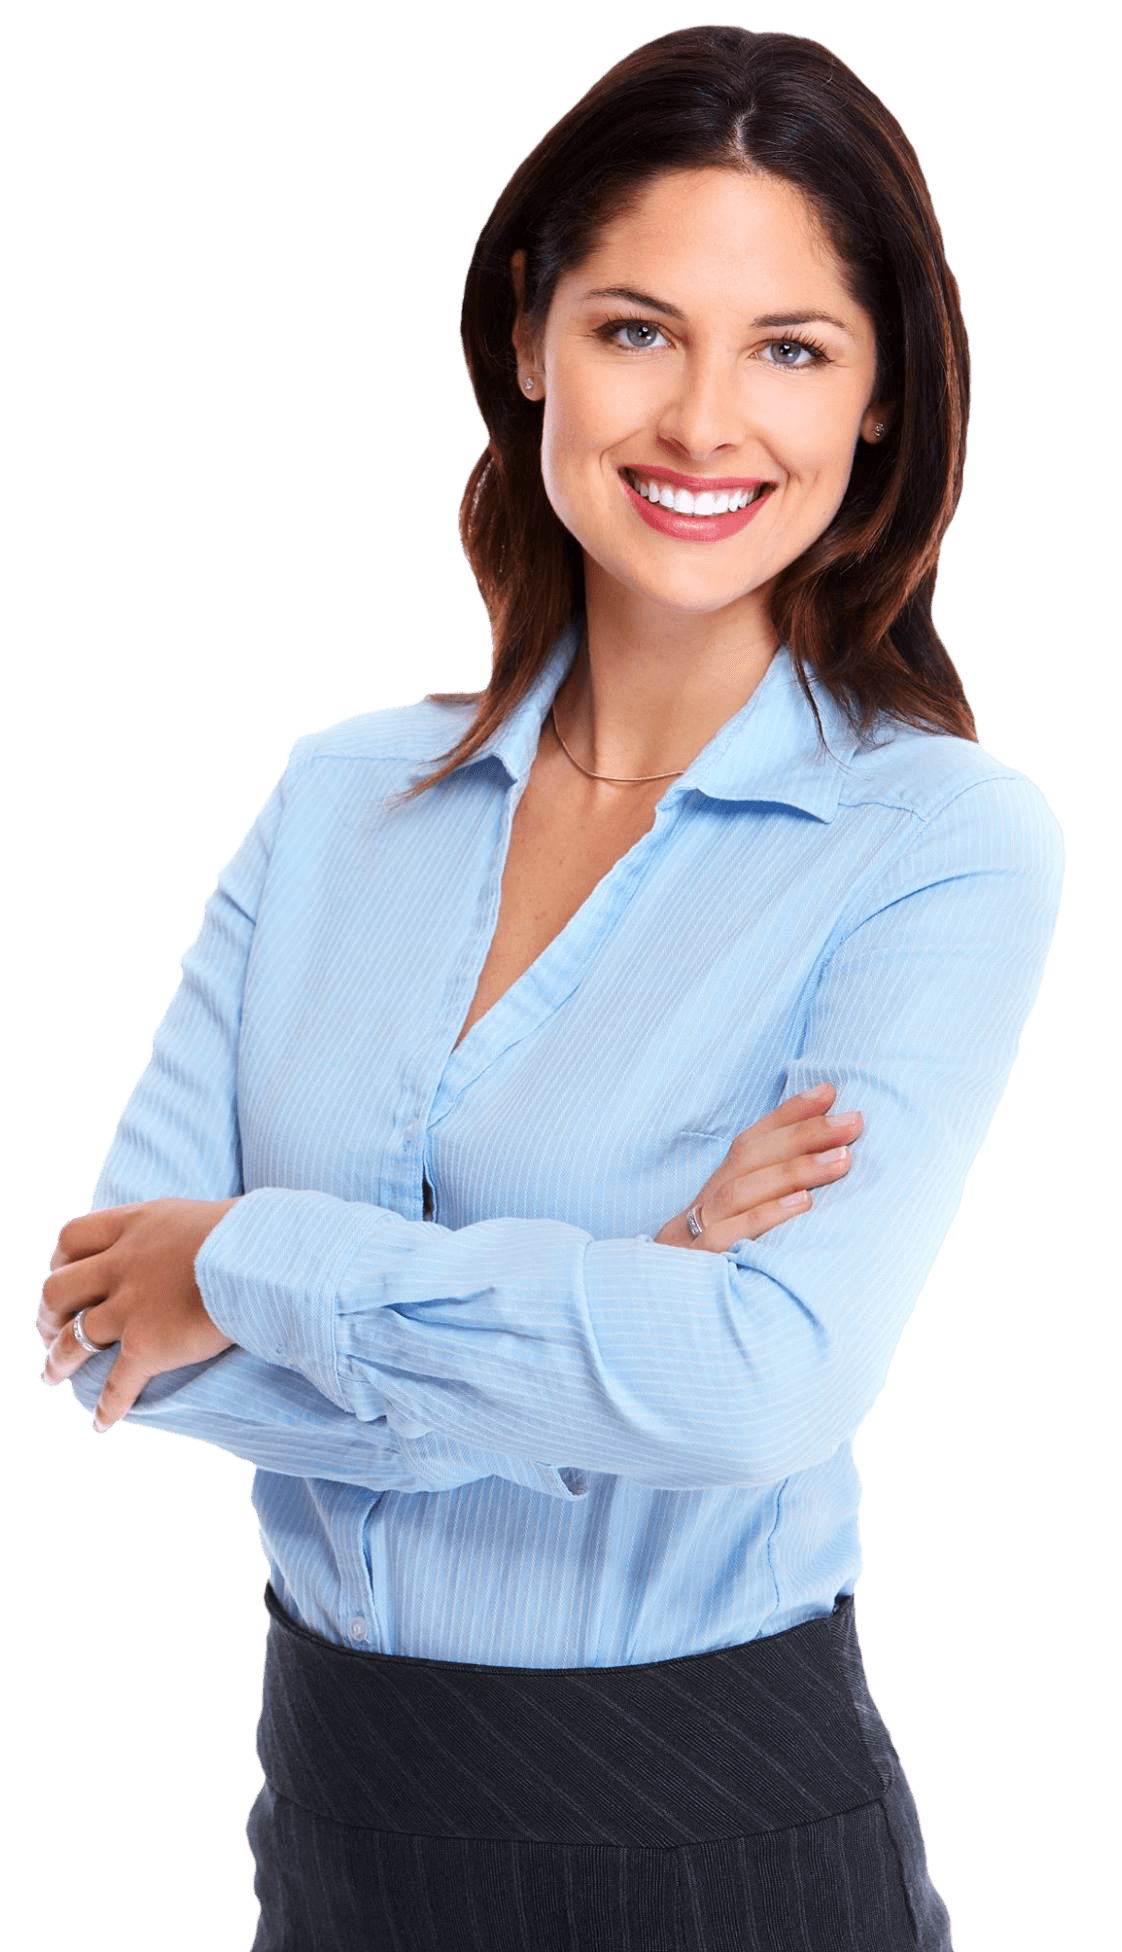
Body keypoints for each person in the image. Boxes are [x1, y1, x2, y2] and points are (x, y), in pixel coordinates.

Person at [36, 25, 1062, 1951]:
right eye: (636, 328)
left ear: (877, 406)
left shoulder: (938, 840)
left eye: (789, 349)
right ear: (529, 335)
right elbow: (108, 1332)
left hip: (719, 1836)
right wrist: (631, 1303)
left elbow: (766, 1386)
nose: (700, 421)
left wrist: (253, 1259)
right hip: (331, 1823)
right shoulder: (338, 796)